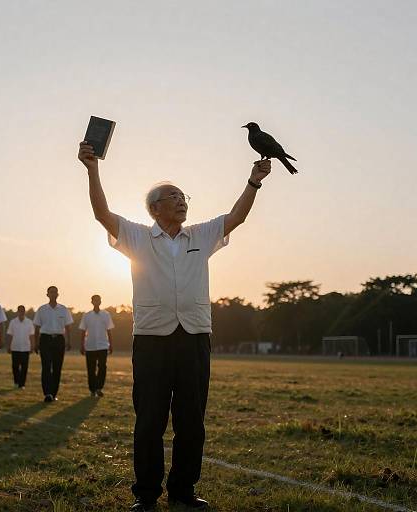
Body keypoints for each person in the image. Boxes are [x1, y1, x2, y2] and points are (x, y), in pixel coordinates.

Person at [78, 141, 271, 511]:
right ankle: (146, 495)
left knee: (191, 422)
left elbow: (236, 217)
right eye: (173, 197)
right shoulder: (136, 235)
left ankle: (183, 490)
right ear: (155, 208)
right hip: (151, 340)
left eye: (184, 196)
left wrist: (253, 182)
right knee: (149, 420)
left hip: (195, 337)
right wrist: (92, 168)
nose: (182, 202)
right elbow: (102, 213)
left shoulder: (200, 234)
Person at [33, 286, 73, 402]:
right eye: (51, 292)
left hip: (59, 340)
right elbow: (37, 327)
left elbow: (68, 327)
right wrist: (36, 343)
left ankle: (53, 393)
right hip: (45, 339)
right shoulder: (42, 309)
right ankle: (47, 393)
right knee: (46, 366)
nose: (53, 294)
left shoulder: (63, 309)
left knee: (57, 367)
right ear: (47, 294)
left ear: (58, 294)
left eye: (55, 292)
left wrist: (68, 341)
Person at [79, 294, 114, 397]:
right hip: (90, 346)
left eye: (98, 300)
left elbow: (109, 331)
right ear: (92, 302)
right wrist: (82, 345)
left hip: (103, 345)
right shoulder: (87, 315)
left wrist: (111, 344)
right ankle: (92, 389)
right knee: (91, 368)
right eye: (95, 300)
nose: (96, 302)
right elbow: (82, 331)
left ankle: (99, 387)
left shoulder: (106, 315)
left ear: (100, 301)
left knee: (102, 367)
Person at [6, 305, 35, 389]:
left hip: (26, 348)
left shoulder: (29, 322)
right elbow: (10, 335)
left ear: (24, 312)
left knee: (24, 367)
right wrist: (8, 346)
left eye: (23, 311)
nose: (21, 312)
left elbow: (32, 335)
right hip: (15, 347)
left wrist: (32, 346)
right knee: (15, 366)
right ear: (18, 312)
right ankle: (16, 382)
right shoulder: (13, 322)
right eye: (20, 311)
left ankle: (22, 384)